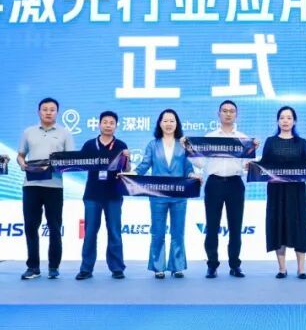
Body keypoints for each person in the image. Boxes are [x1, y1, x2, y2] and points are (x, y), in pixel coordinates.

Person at [194, 100, 257, 279]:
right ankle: (212, 265)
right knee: (212, 226)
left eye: (231, 111)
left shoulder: (243, 139)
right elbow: (200, 163)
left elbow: (247, 165)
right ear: (219, 114)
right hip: (214, 183)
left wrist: (252, 157)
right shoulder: (210, 137)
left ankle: (235, 265)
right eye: (225, 111)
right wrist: (189, 149)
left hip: (235, 183)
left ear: (236, 115)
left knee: (235, 227)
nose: (228, 114)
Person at [16, 97, 75, 280]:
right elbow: (20, 155)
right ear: (39, 111)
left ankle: (54, 266)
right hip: (31, 185)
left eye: (52, 109)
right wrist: (22, 164)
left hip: (54, 186)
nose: (48, 112)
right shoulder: (28, 132)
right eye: (45, 109)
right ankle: (33, 267)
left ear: (57, 112)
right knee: (30, 226)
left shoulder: (65, 133)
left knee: (55, 227)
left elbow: (70, 160)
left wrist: (59, 165)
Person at [136, 109, 195, 279]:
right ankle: (158, 266)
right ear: (160, 123)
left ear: (177, 124)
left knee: (178, 232)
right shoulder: (152, 145)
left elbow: (188, 167)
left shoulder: (183, 144)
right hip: (157, 196)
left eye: (172, 121)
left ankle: (177, 266)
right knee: (158, 233)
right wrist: (131, 174)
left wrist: (193, 175)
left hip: (179, 195)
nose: (169, 124)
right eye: (165, 121)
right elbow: (144, 166)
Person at [260, 106, 306, 279]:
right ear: (277, 121)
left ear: (294, 121)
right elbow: (263, 164)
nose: (285, 121)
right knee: (278, 225)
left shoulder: (302, 142)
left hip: (296, 191)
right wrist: (251, 165)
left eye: (289, 118)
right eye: (282, 117)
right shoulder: (270, 142)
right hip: (276, 191)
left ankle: (301, 269)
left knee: (299, 226)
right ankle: (282, 268)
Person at [76, 111, 130, 281]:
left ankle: (117, 268)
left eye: (111, 123)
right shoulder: (89, 145)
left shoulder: (121, 145)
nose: (108, 125)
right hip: (92, 195)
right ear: (99, 124)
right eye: (105, 122)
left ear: (116, 126)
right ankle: (86, 268)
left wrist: (128, 159)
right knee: (90, 232)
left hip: (114, 194)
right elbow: (79, 165)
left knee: (114, 232)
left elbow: (127, 170)